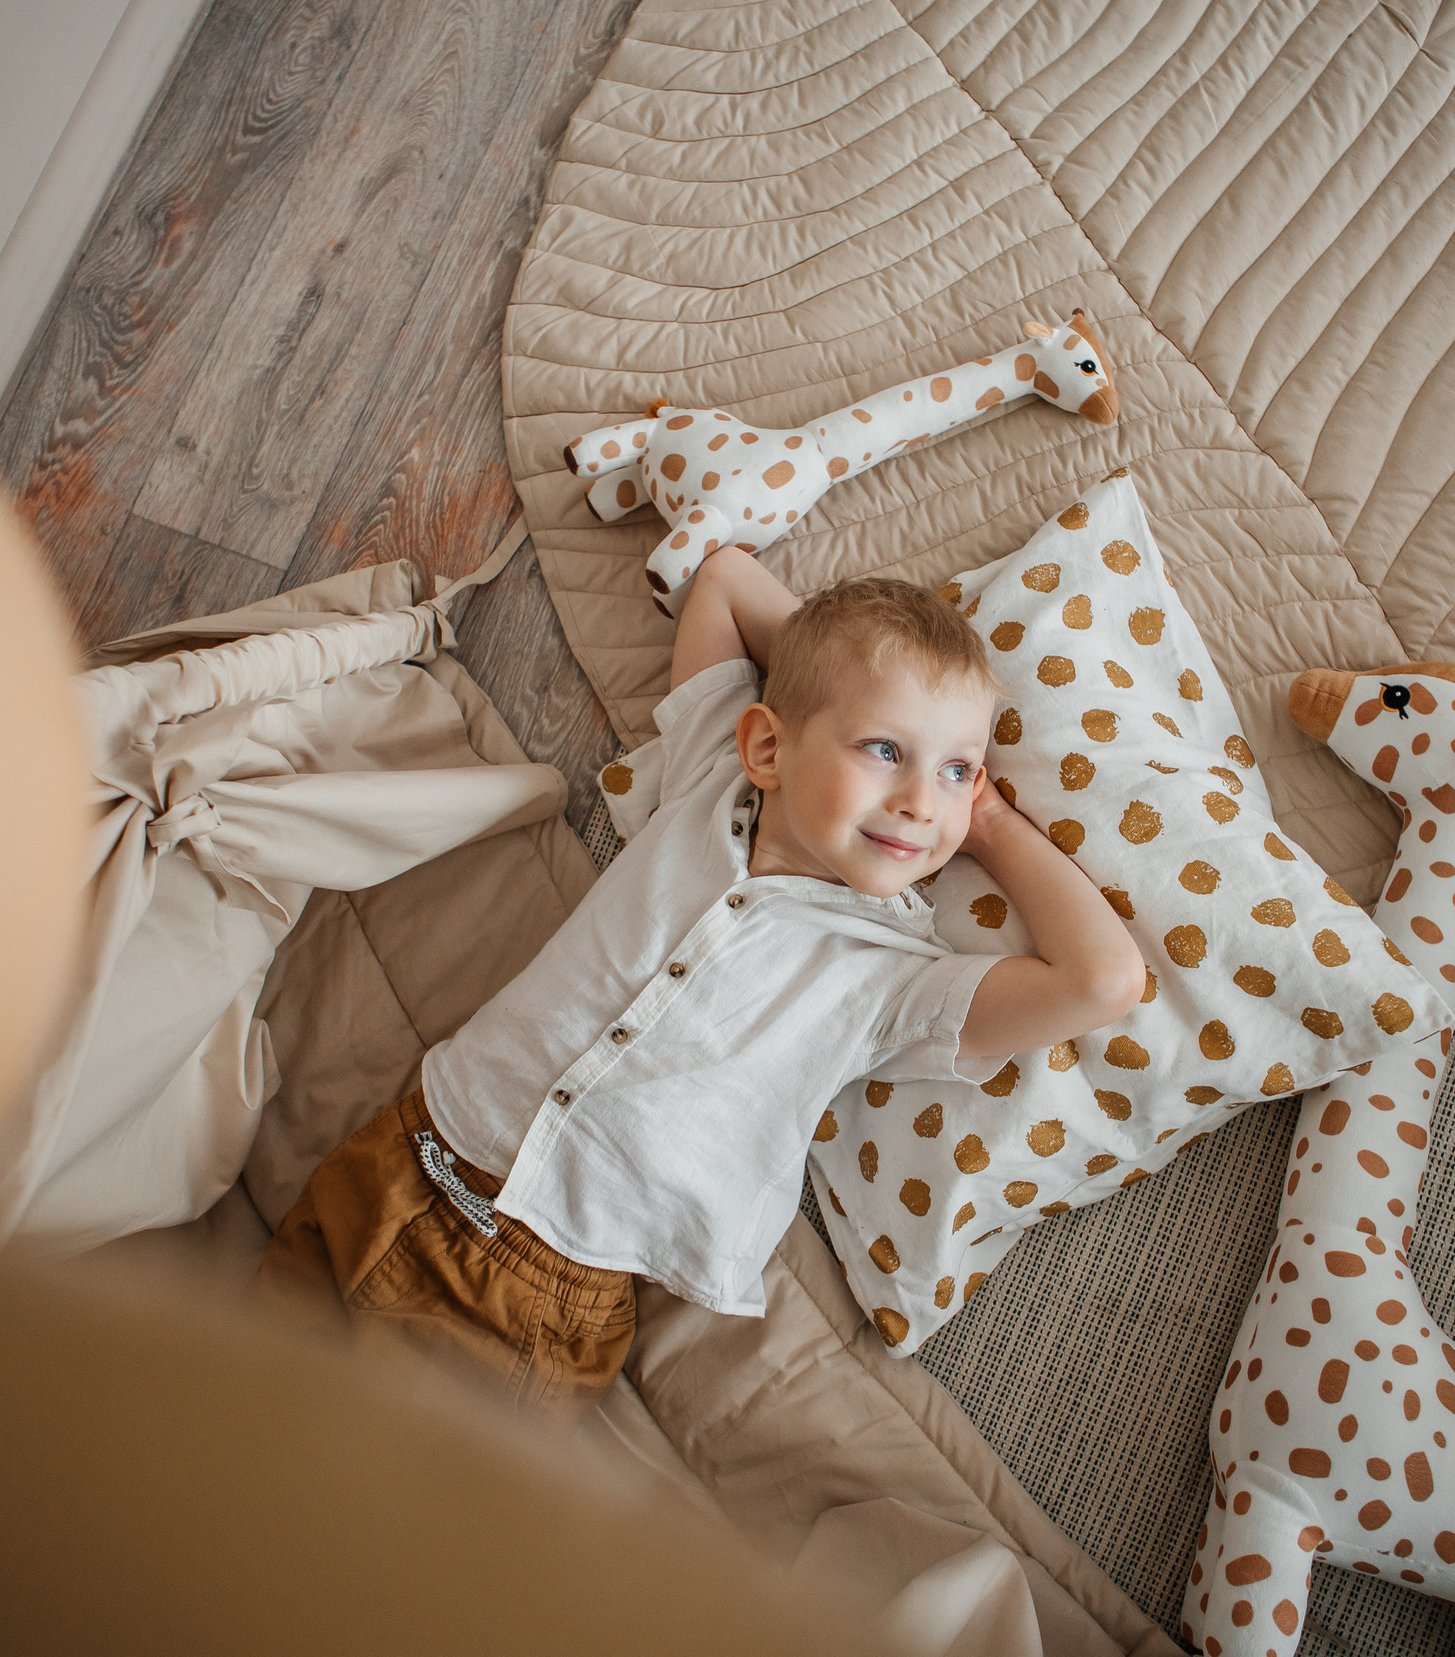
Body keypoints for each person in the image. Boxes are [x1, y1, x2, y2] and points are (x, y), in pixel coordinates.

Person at [256, 545, 1144, 1416]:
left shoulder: (895, 982)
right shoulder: (710, 779)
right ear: (767, 746)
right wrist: (829, 673)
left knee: (360, 1495)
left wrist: (990, 826)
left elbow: (1104, 980)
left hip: (543, 1285)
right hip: (405, 1151)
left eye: (956, 769)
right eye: (884, 748)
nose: (922, 800)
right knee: (227, 1414)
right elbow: (721, 579)